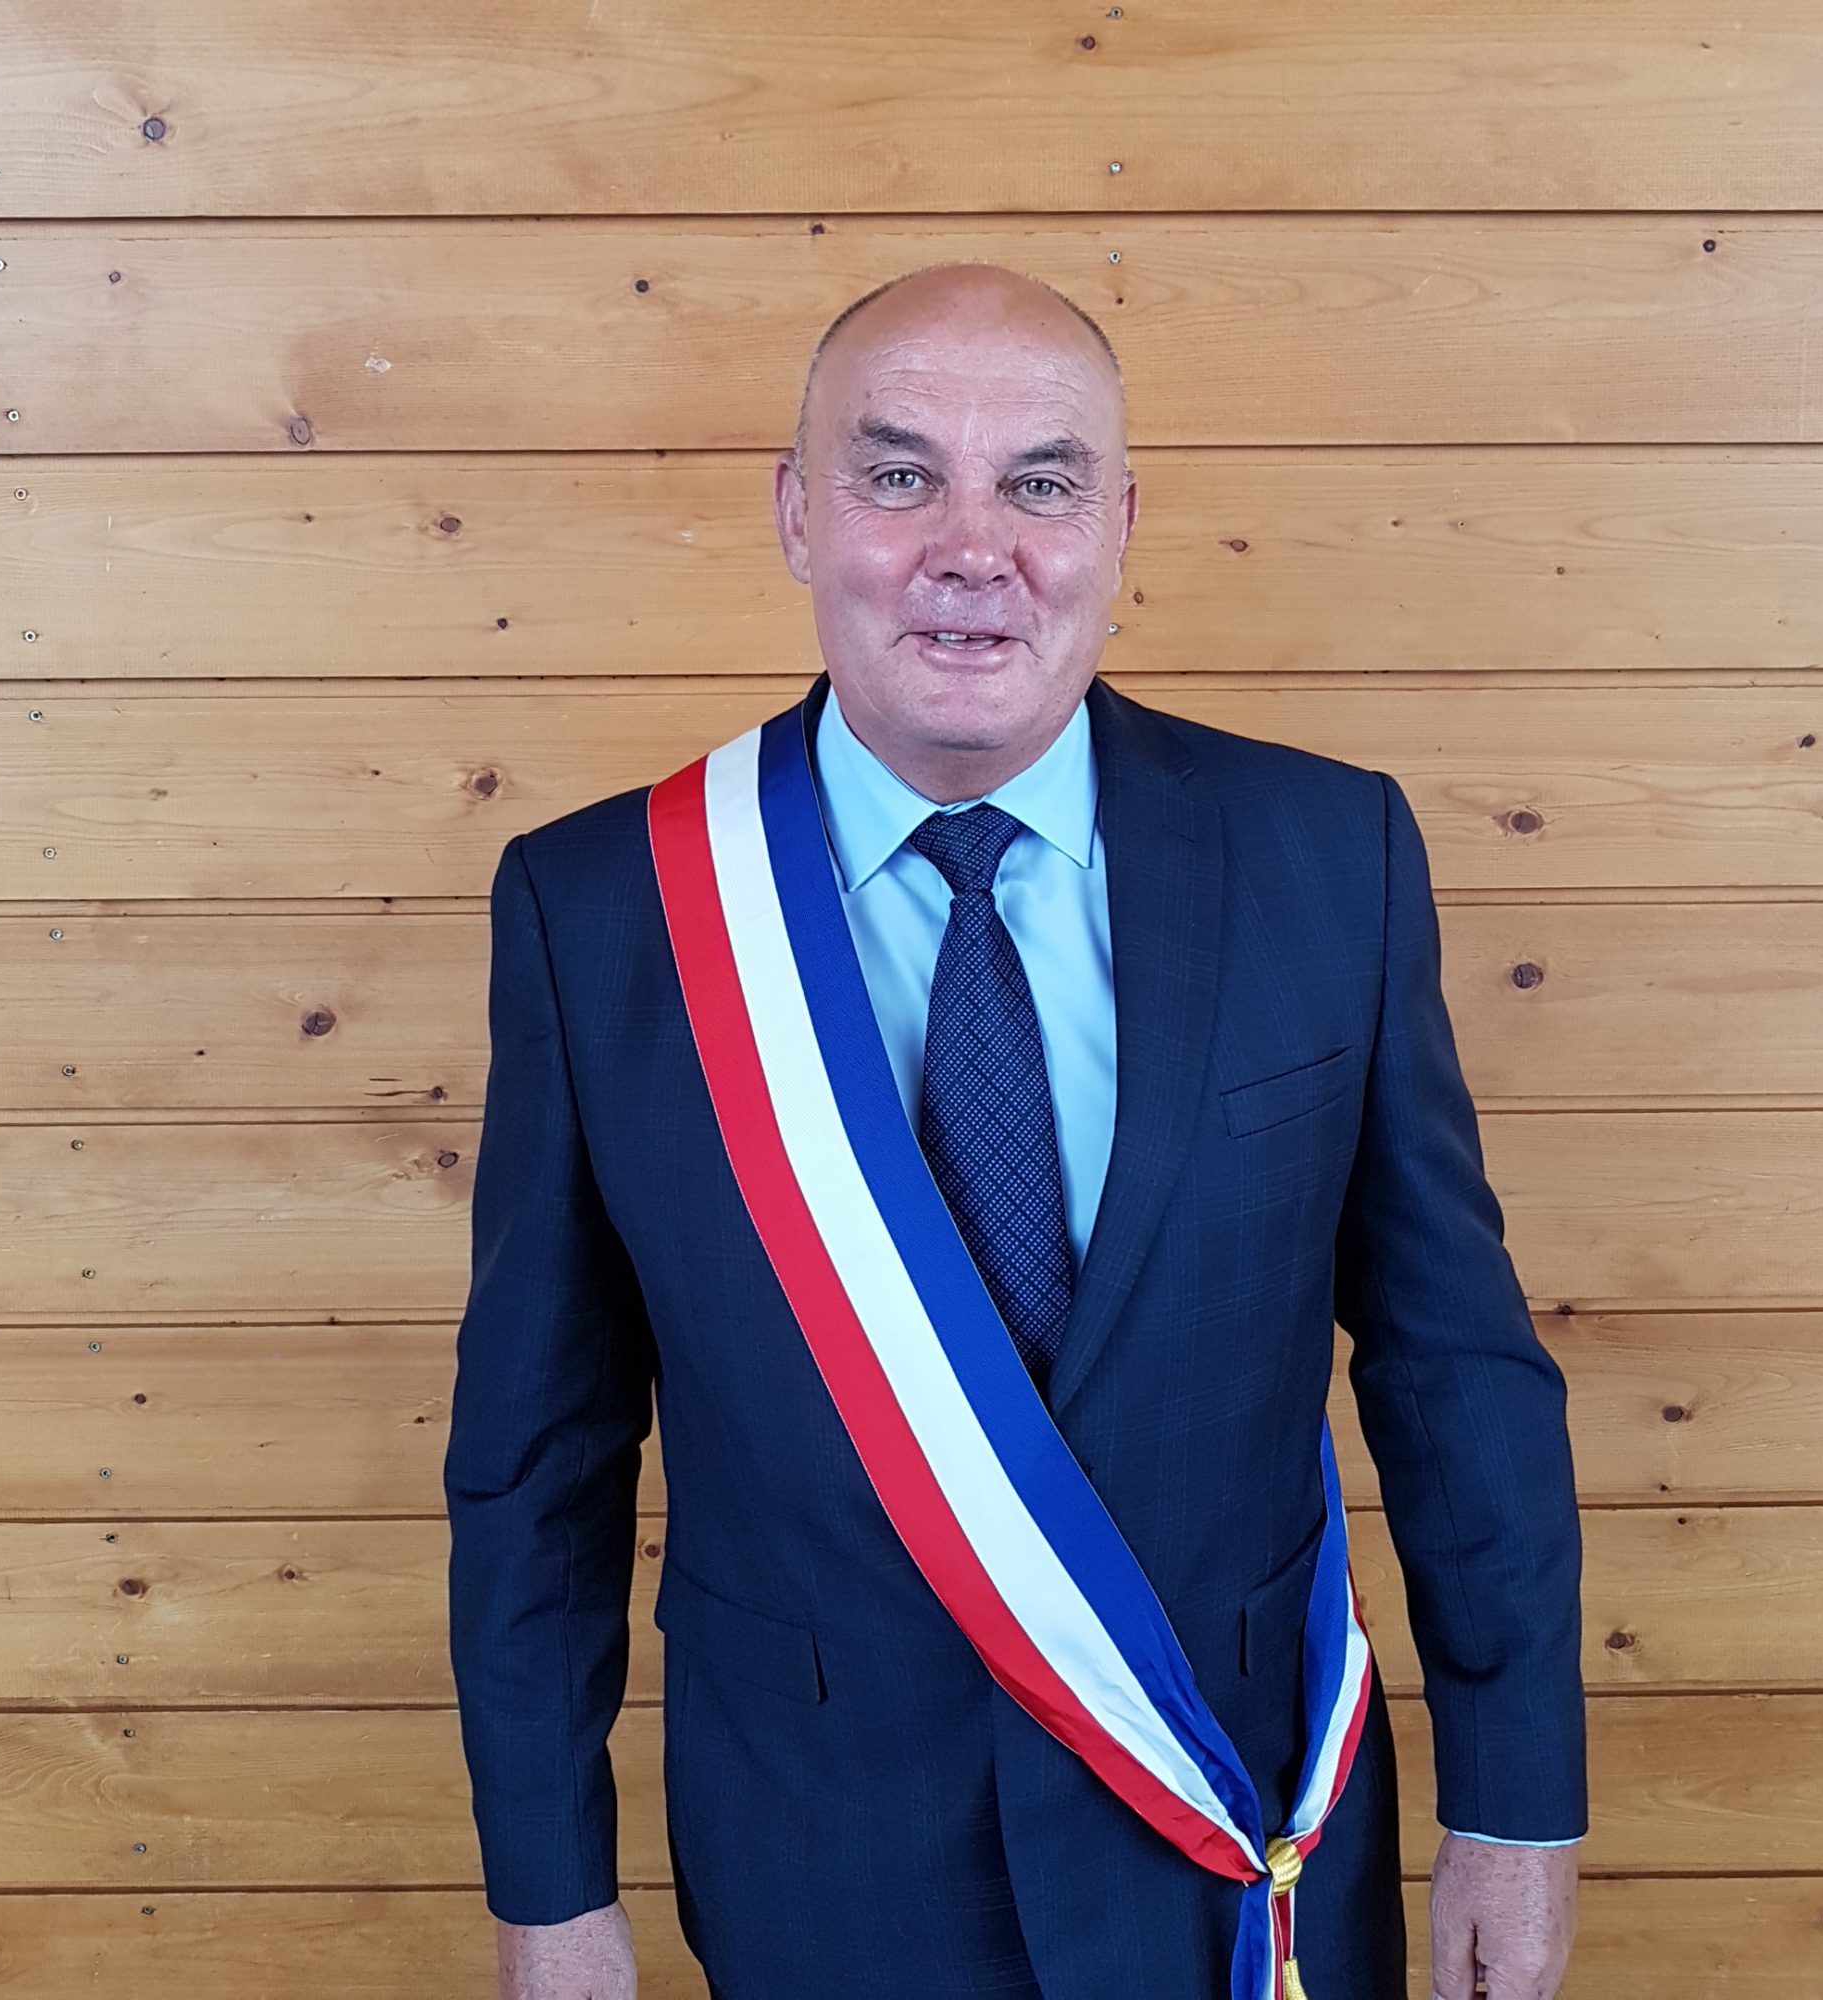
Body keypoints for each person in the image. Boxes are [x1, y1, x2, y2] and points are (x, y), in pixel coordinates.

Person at [444, 261, 1586, 2000]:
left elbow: (1455, 1371)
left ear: (1119, 526)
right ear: (797, 514)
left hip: (1235, 1827)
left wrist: (1516, 1805)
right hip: (820, 1858)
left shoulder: (1325, 855)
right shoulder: (603, 911)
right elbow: (541, 1454)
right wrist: (549, 1893)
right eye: (899, 474)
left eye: (1039, 482)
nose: (970, 548)